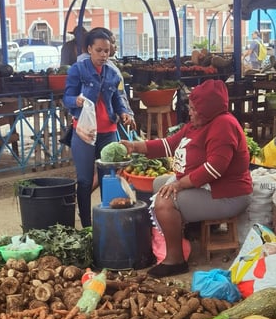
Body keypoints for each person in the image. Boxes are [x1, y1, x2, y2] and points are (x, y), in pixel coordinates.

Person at [119, 79, 252, 278]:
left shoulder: (223, 125)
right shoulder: (197, 125)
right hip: (208, 188)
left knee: (165, 201)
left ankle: (175, 260)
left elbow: (215, 168)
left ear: (206, 109)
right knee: (158, 184)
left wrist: (180, 184)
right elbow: (169, 144)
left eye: (193, 108)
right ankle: (181, 234)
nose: (189, 111)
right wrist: (135, 147)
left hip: (228, 195)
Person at [63, 28, 134, 228]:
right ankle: (86, 225)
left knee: (108, 179)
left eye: (107, 51)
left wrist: (124, 113)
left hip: (108, 132)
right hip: (85, 133)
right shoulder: (78, 70)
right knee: (85, 181)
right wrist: (75, 101)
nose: (104, 55)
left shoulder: (113, 73)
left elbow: (117, 99)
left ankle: (106, 222)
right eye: (99, 50)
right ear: (89, 49)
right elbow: (66, 98)